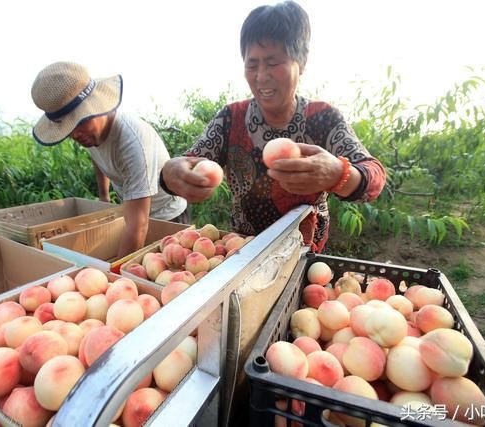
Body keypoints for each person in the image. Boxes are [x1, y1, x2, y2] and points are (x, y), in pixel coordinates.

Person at [160, 1, 386, 253]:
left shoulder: (322, 118)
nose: (261, 76)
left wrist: (338, 174)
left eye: (273, 62)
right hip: (242, 253)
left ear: (301, 62)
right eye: (252, 64)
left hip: (303, 255)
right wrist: (170, 174)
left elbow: (373, 178)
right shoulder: (231, 118)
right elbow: (191, 161)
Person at [31, 61, 188, 257]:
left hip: (166, 216)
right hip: (133, 213)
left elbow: (139, 225)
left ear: (95, 107)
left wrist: (114, 275)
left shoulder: (132, 142)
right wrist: (104, 195)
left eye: (79, 122)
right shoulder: (90, 135)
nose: (75, 135)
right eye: (69, 129)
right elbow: (98, 157)